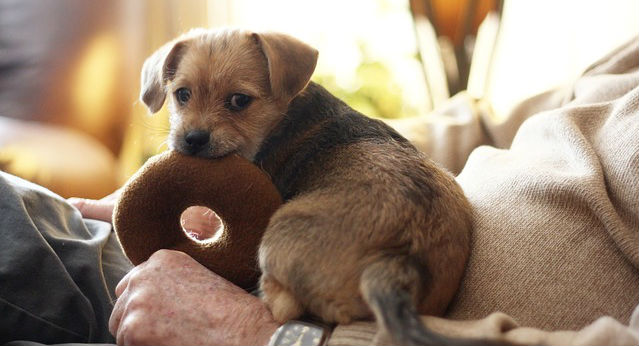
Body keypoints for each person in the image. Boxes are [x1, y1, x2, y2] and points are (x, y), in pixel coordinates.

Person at [1, 38, 637, 346]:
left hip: (302, 321)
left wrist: (271, 336)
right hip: (263, 254)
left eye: (238, 102)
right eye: (184, 98)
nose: (198, 120)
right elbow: (481, 124)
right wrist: (187, 184)